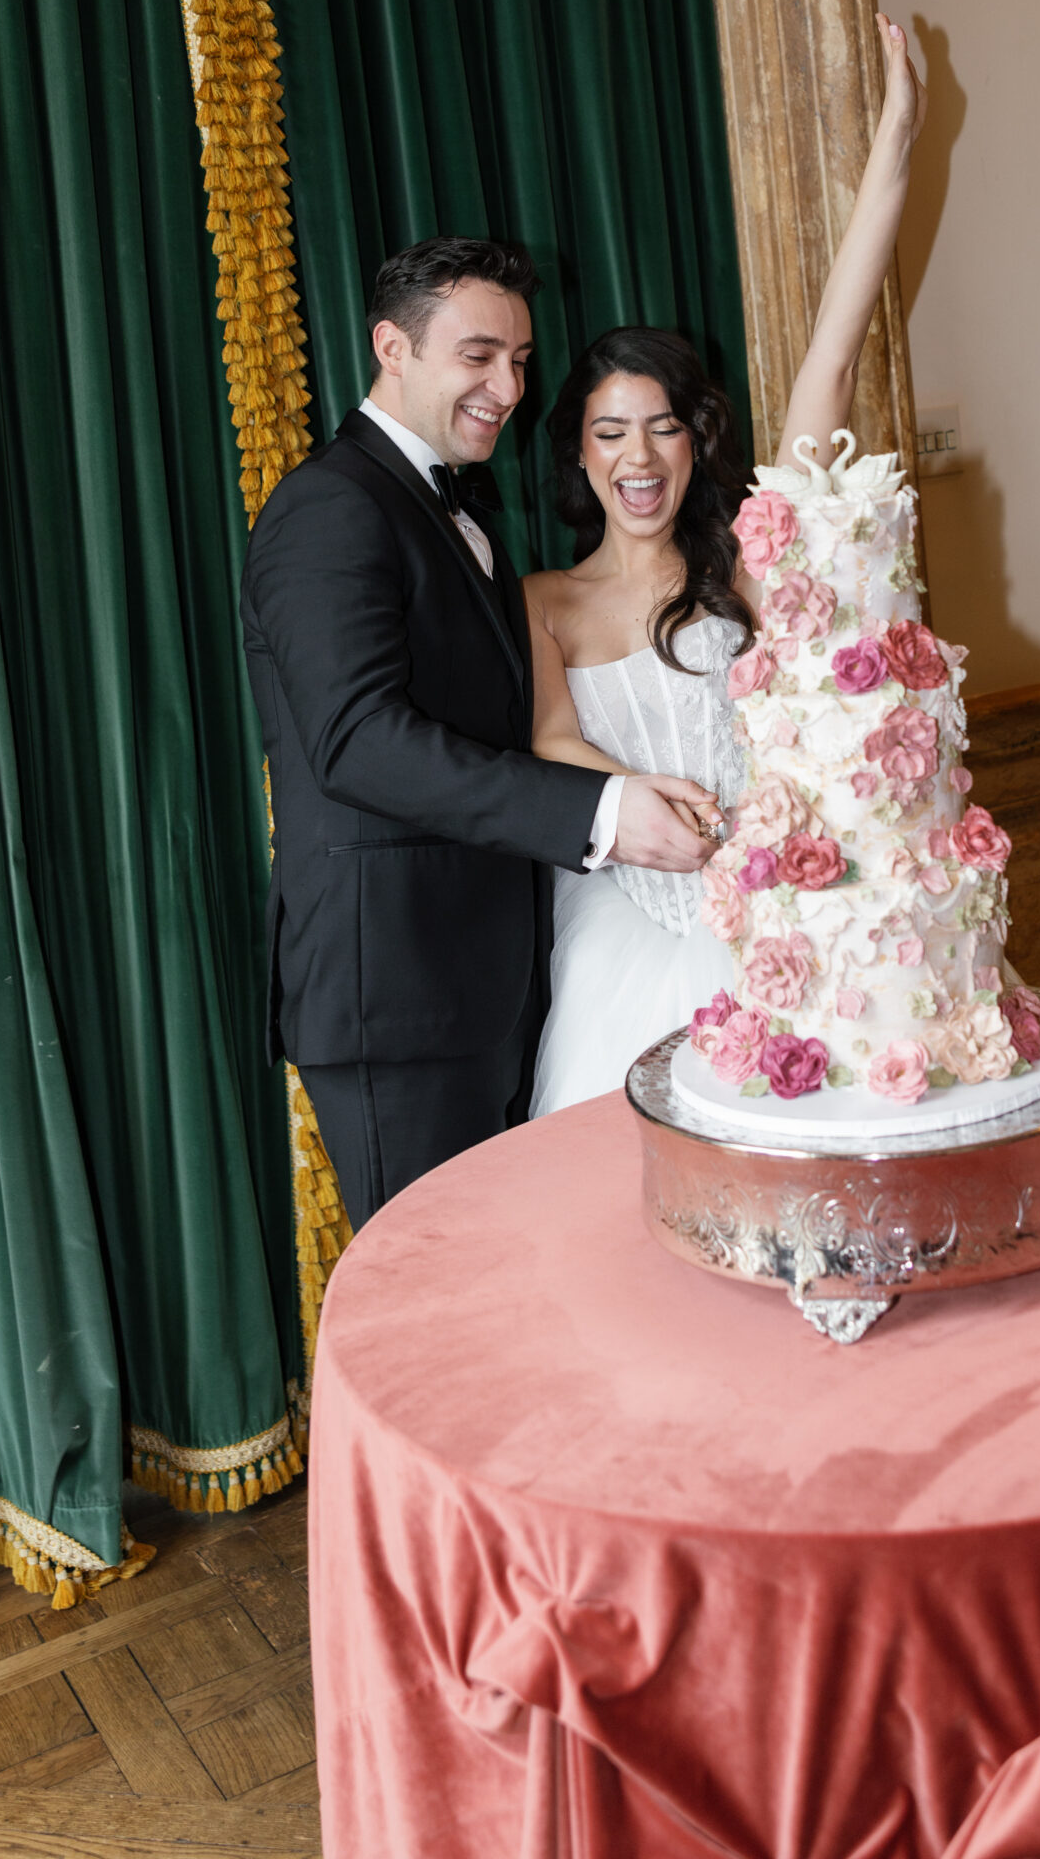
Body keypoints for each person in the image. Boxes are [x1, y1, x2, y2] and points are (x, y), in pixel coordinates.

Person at [240, 237, 716, 1228]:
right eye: (479, 355)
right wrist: (603, 809)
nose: (508, 385)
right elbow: (358, 741)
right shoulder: (330, 507)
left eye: (521, 359)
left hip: (486, 988)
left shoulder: (453, 509)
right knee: (439, 1316)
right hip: (395, 999)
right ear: (392, 347)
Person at [525, 15, 927, 1114]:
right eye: (610, 432)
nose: (639, 456)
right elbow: (552, 739)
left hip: (786, 929)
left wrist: (897, 139)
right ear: (579, 452)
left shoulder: (746, 569)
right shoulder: (542, 603)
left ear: (694, 438)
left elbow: (832, 361)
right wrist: (635, 800)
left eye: (661, 426)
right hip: (625, 950)